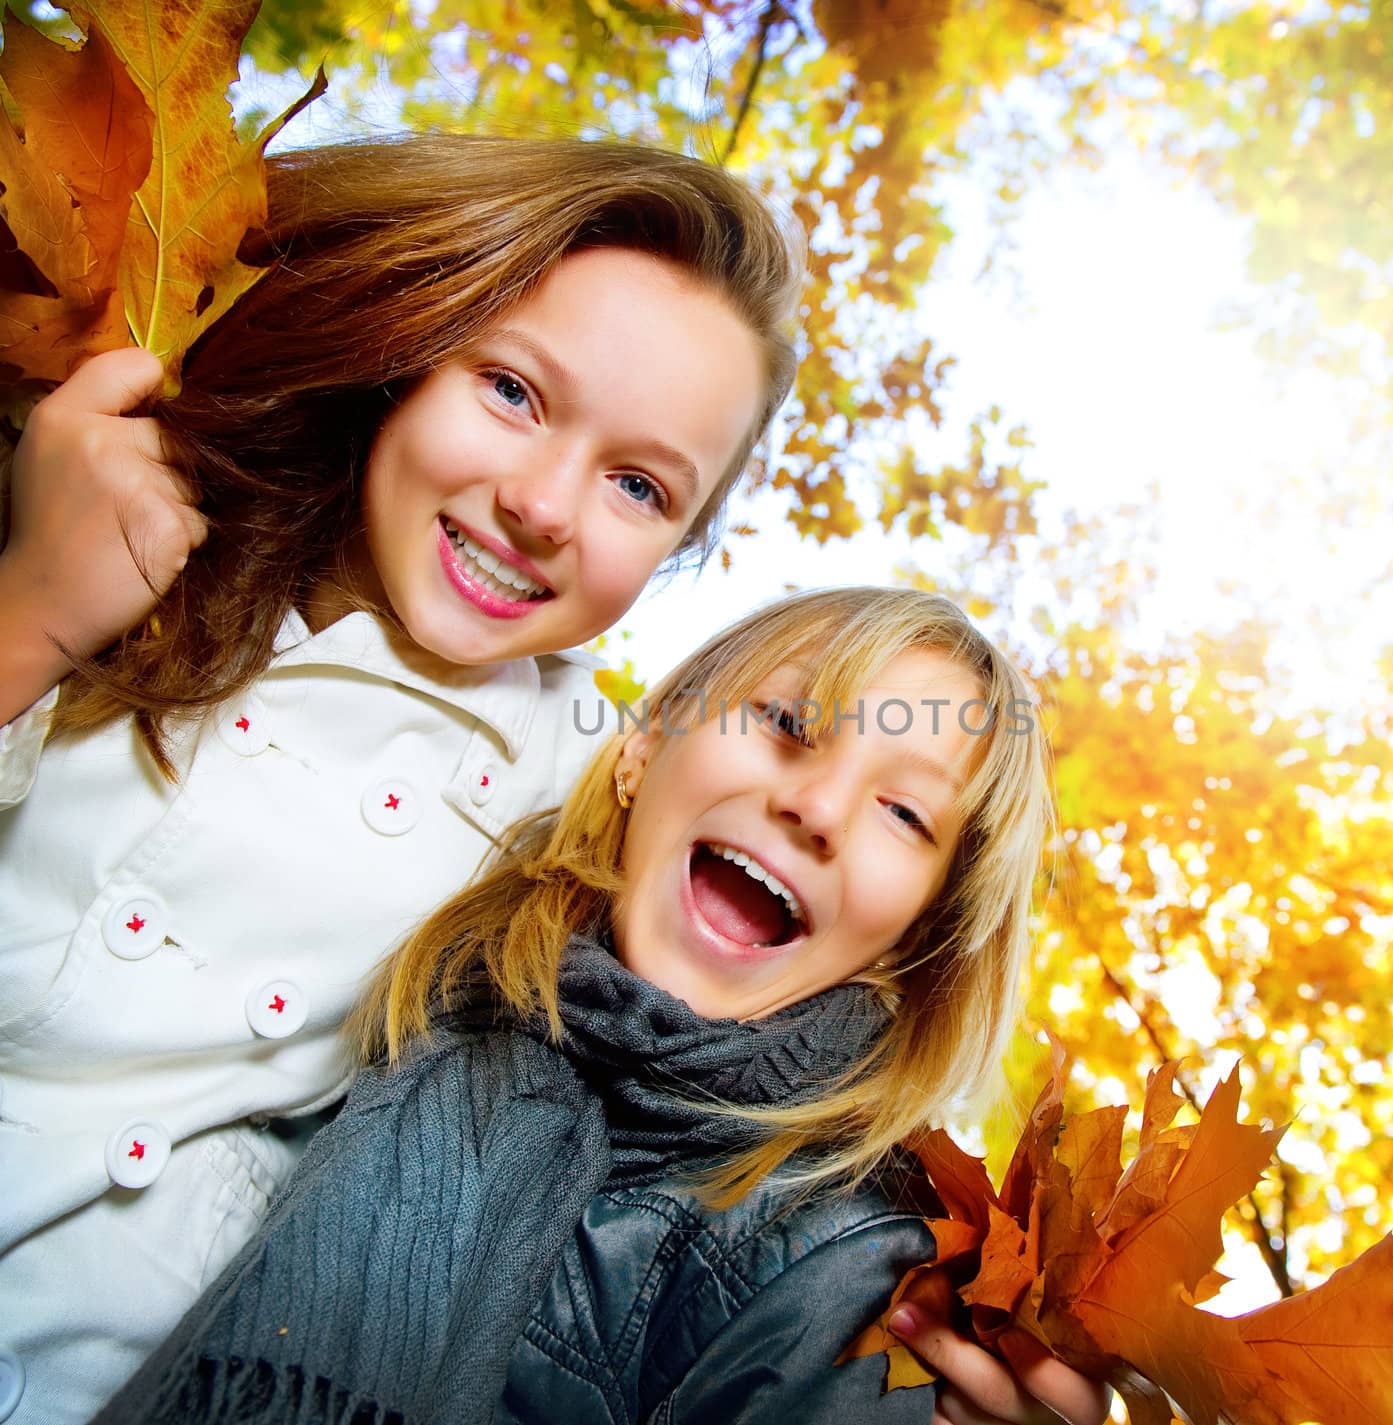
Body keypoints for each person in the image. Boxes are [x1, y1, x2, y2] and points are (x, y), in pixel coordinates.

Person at [0, 133, 801, 1423]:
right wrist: (33, 611)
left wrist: (926, 1324)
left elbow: (770, 1019)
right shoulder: (104, 494)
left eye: (640, 486)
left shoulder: (579, 779)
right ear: (412, 344)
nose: (547, 504)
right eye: (515, 392)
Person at [96, 586, 1109, 1425]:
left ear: (912, 944)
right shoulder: (417, 994)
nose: (817, 807)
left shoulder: (854, 1268)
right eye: (789, 724)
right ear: (640, 751)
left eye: (902, 812)